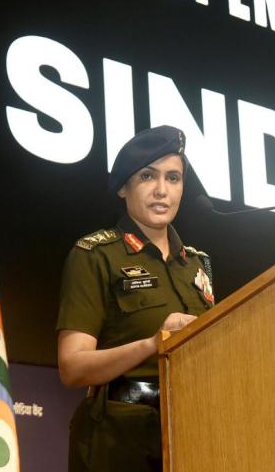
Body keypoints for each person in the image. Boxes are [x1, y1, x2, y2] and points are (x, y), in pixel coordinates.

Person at [57, 125, 215, 472]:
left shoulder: (196, 263)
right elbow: (72, 366)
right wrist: (152, 344)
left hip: (196, 433)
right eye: (148, 176)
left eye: (173, 178)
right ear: (123, 188)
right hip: (119, 441)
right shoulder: (96, 255)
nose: (162, 190)